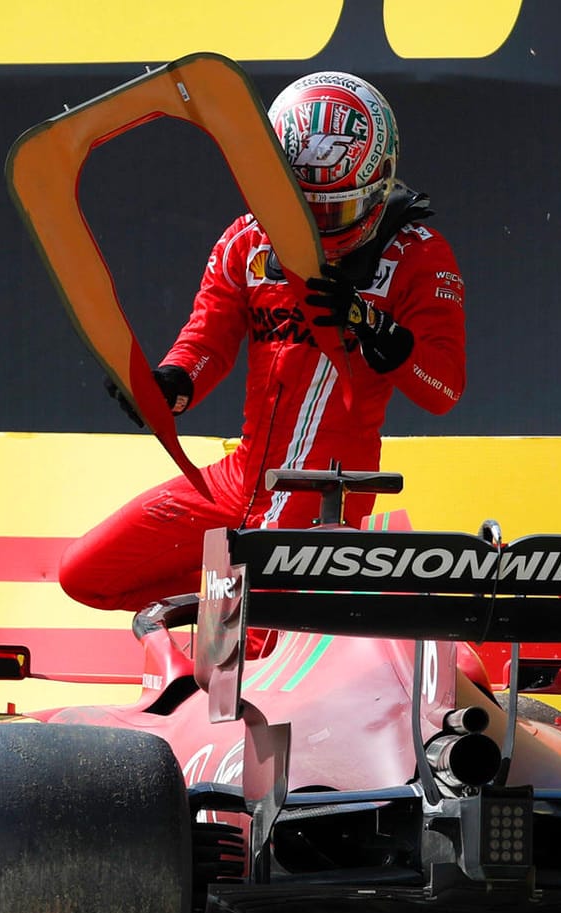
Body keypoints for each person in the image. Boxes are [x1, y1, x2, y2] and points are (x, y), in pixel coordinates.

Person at [59, 71, 467, 612]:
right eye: (303, 208)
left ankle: (279, 612)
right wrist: (170, 384)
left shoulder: (420, 253)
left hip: (327, 495)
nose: (321, 226)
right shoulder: (245, 240)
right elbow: (206, 341)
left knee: (257, 652)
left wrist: (372, 325)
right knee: (86, 575)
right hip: (241, 478)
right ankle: (230, 604)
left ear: (381, 180)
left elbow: (443, 389)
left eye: (336, 209)